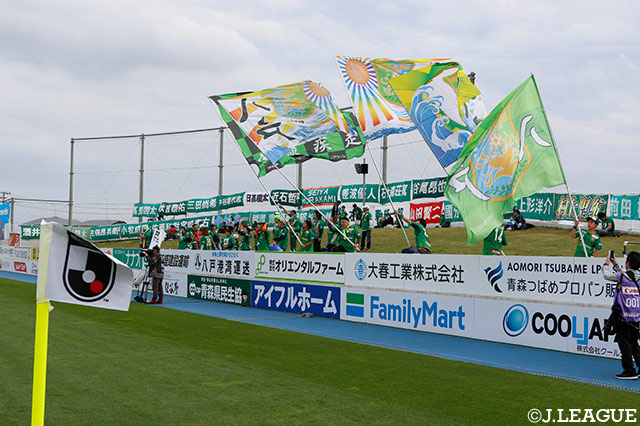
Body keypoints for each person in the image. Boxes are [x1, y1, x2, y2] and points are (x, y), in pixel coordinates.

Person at [603, 251, 640, 379]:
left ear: (628, 263)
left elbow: (607, 276)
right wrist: (617, 265)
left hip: (623, 316)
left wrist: (606, 265)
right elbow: (629, 275)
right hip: (636, 317)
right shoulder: (638, 277)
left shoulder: (622, 277)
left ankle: (629, 370)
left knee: (624, 344)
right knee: (634, 343)